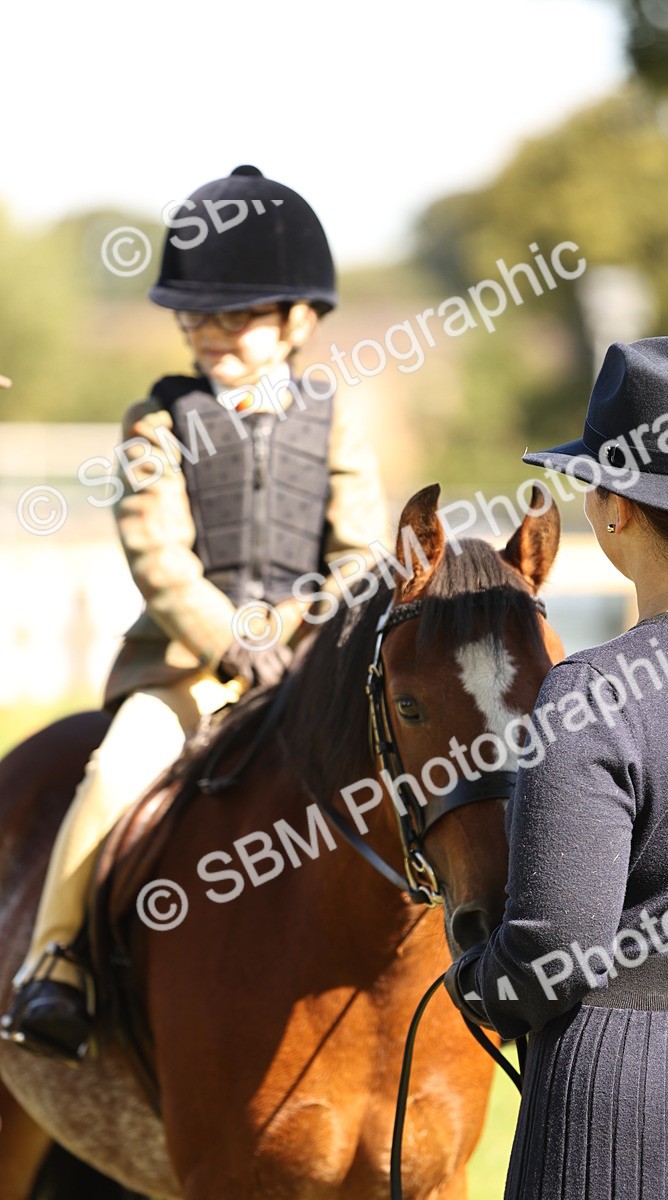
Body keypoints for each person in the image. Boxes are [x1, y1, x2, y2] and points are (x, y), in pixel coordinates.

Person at [2, 165, 389, 1062]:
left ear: (298, 319)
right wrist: (233, 639)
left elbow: (360, 555)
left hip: (308, 662)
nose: (210, 333)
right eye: (196, 316)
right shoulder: (158, 423)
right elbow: (159, 559)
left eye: (235, 315)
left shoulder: (336, 419)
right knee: (110, 777)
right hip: (184, 669)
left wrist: (301, 633)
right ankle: (56, 964)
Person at [445, 336, 668, 1199]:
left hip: (629, 1124)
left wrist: (472, 980)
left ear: (615, 511)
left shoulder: (595, 695)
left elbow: (555, 953)